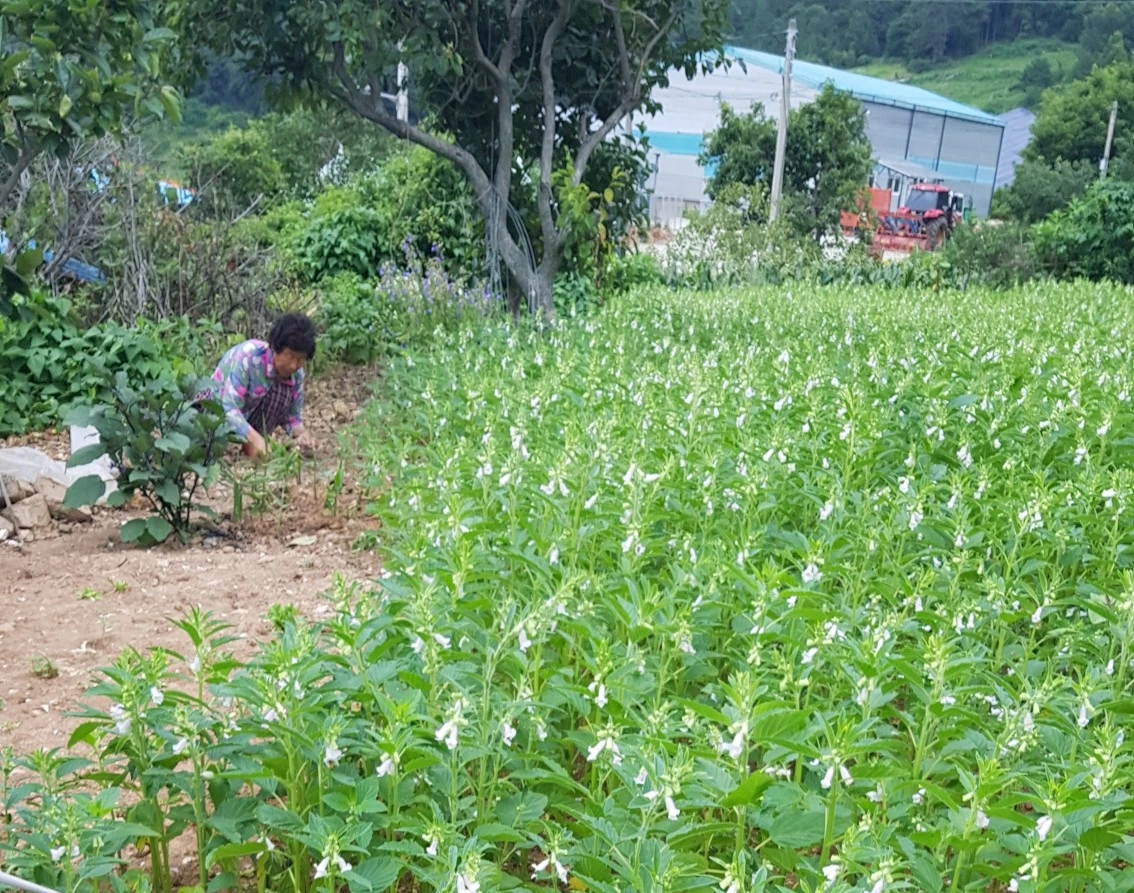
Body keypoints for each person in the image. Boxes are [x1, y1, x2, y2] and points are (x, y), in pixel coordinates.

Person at [206, 313, 318, 458]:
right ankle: (251, 443)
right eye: (290, 356)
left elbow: (292, 417)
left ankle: (253, 447)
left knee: (280, 392)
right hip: (214, 413)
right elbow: (228, 407)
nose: (294, 365)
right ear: (276, 348)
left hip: (250, 417)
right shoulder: (248, 357)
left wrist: (302, 435)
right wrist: (254, 438)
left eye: (300, 359)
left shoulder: (297, 375)